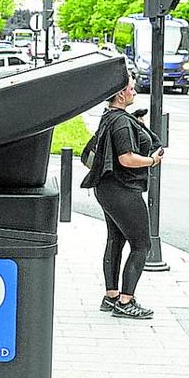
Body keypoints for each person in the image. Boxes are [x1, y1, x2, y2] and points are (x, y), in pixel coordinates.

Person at [80, 69, 163, 320]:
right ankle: (126, 301)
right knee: (142, 244)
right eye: (130, 89)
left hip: (106, 188)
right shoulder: (121, 122)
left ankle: (111, 296)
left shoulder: (109, 117)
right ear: (119, 93)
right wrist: (151, 161)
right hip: (123, 189)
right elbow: (126, 159)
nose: (134, 92)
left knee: (115, 240)